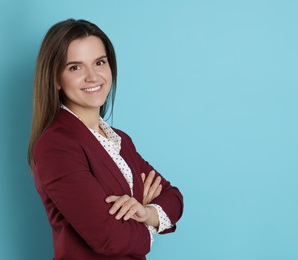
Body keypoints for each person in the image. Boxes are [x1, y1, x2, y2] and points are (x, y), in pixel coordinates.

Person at [27, 19, 184, 260]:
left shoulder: (120, 140)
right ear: (55, 78)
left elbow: (173, 197)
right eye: (75, 67)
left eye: (99, 62)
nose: (93, 77)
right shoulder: (56, 146)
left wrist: (145, 211)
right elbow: (108, 237)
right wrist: (149, 227)